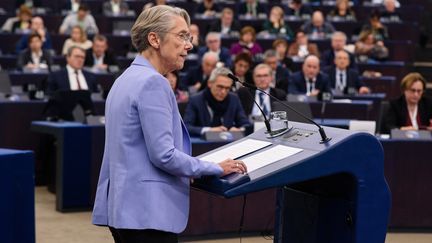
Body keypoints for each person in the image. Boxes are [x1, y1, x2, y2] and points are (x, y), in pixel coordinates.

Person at [92, 7, 246, 243]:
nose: (189, 45)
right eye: (182, 36)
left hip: (123, 209)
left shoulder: (124, 79)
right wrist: (214, 168)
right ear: (154, 39)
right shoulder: (154, 83)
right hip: (147, 212)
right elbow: (164, 155)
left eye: (189, 37)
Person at [184, 67, 251, 137]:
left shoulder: (234, 99)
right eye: (220, 87)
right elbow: (187, 127)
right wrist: (209, 130)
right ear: (209, 83)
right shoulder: (195, 100)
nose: (223, 92)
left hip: (228, 143)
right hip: (204, 145)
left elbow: (245, 124)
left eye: (227, 88)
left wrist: (240, 130)